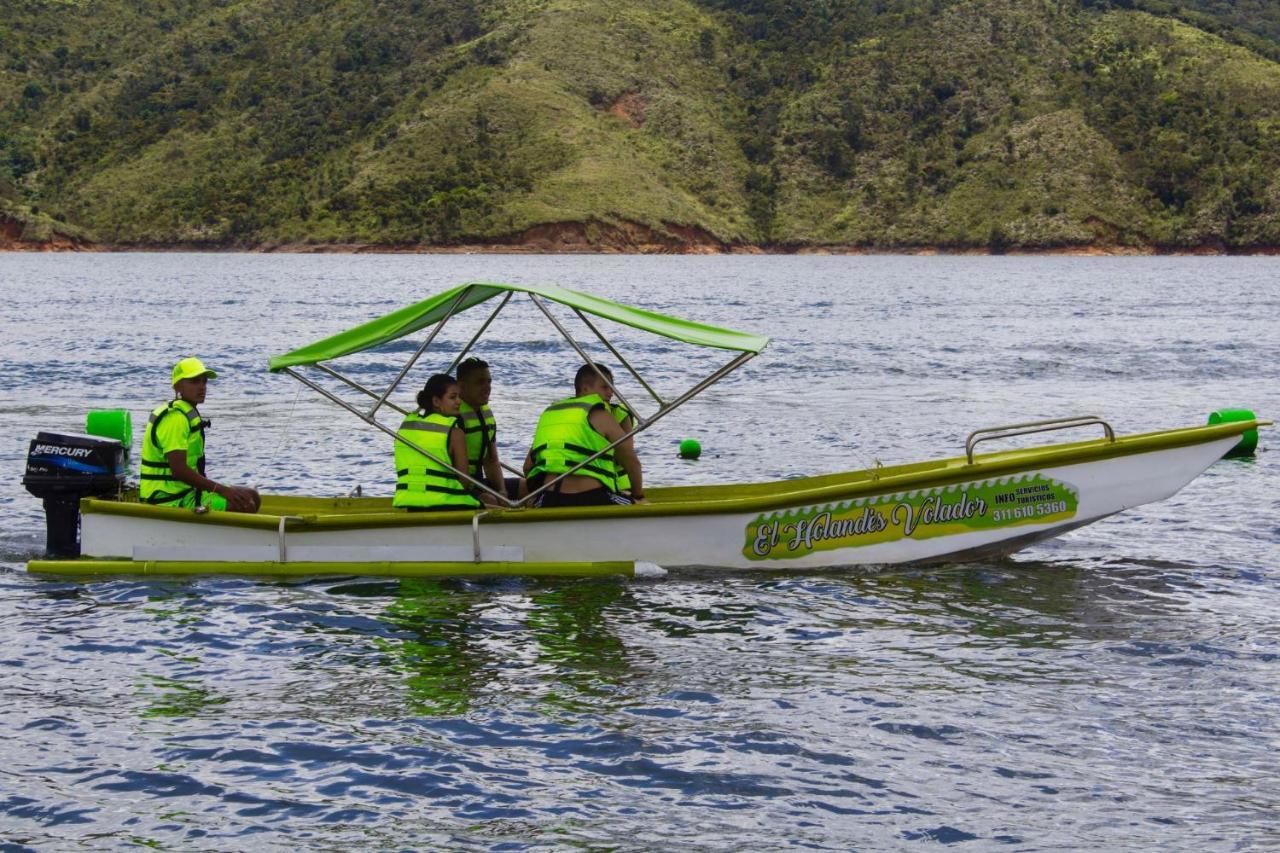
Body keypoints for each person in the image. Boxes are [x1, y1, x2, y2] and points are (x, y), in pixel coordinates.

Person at [139, 357, 260, 513]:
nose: (202, 387)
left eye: (204, 382)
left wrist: (221, 490)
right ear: (178, 387)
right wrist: (221, 490)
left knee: (253, 495)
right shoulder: (175, 418)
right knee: (246, 504)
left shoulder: (186, 413)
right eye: (194, 381)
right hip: (168, 498)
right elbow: (179, 470)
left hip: (185, 491)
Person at [524, 363, 645, 508]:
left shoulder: (551, 415)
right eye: (605, 387)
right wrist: (638, 496)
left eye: (612, 387)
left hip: (549, 499)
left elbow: (527, 467)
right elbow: (632, 463)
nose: (611, 393)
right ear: (585, 389)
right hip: (592, 497)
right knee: (641, 504)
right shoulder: (600, 414)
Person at [393, 373, 487, 511]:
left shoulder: (406, 427)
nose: (459, 402)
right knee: (495, 504)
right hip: (445, 503)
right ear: (436, 401)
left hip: (410, 502)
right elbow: (464, 481)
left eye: (459, 397)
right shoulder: (455, 433)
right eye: (453, 397)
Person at [455, 357, 507, 496]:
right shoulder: (454, 416)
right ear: (461, 387)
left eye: (489, 381)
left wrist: (502, 491)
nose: (487, 387)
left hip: (479, 481)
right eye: (480, 382)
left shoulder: (486, 414)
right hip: (458, 486)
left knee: (525, 487)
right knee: (490, 500)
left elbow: (491, 461)